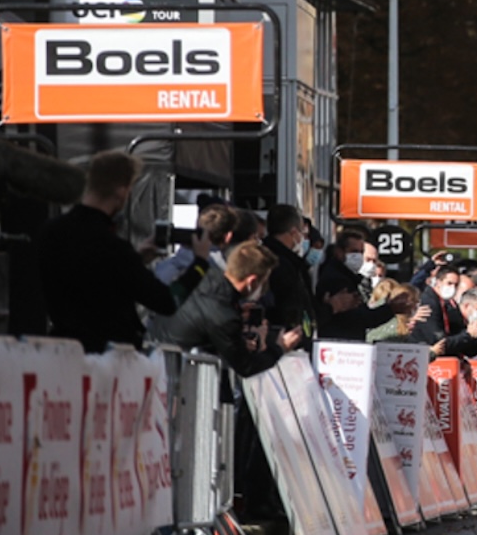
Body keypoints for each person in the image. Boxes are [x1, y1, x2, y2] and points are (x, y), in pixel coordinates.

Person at [38, 151, 177, 353]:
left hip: (63, 353)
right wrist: (199, 263)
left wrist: (135, 259)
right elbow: (165, 302)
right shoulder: (114, 248)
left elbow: (92, 275)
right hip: (108, 362)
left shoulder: (51, 232)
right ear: (121, 191)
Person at [152, 240, 303, 377]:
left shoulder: (207, 278)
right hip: (169, 374)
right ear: (252, 281)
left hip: (154, 351)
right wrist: (280, 347)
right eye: (264, 282)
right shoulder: (225, 316)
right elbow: (246, 366)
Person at [262, 203, 318, 335]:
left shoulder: (266, 255)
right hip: (285, 337)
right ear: (293, 232)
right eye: (302, 233)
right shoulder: (283, 265)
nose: (303, 239)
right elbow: (292, 306)